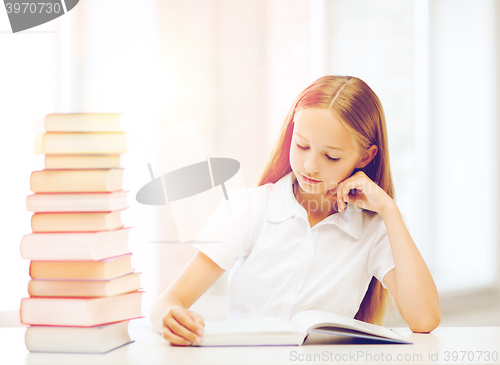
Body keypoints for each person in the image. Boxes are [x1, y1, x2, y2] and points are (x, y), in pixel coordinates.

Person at [149, 75, 441, 346]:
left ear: (366, 156)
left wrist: (388, 209)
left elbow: (424, 319)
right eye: (301, 146)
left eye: (331, 156)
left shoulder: (373, 228)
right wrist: (168, 316)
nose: (311, 165)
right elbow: (170, 299)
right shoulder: (249, 207)